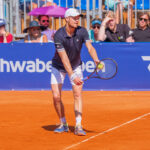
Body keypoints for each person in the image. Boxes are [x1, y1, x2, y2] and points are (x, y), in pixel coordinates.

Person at [51, 8, 100, 136]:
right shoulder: (59, 35)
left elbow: (90, 47)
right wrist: (72, 76)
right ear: (66, 19)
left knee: (77, 94)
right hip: (58, 66)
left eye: (78, 17)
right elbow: (64, 57)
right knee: (56, 96)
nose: (77, 19)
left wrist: (96, 60)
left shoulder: (82, 31)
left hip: (76, 65)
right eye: (74, 17)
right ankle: (63, 123)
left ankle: (78, 125)